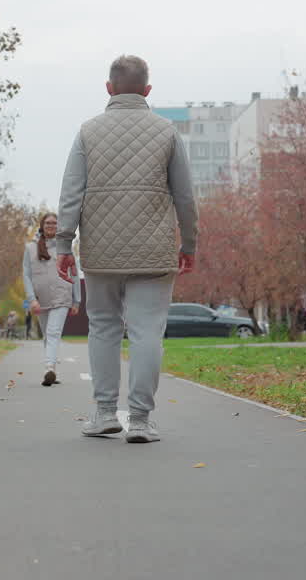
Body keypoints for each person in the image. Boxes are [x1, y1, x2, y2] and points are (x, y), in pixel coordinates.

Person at [55, 55, 198, 443]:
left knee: (102, 328)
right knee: (147, 331)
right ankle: (139, 420)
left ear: (108, 88)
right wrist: (189, 244)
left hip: (101, 251)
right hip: (153, 251)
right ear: (148, 91)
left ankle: (103, 414)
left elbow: (71, 193)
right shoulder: (166, 132)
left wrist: (63, 245)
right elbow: (185, 197)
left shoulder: (88, 132)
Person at [23, 211, 81, 386]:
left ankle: (48, 368)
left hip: (62, 296)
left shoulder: (66, 248)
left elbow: (75, 274)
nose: (51, 226)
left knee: (53, 332)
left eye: (55, 223)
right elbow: (26, 275)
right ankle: (53, 369)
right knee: (48, 336)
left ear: (59, 226)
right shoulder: (30, 248)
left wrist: (76, 300)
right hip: (41, 299)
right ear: (42, 225)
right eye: (48, 223)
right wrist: (32, 299)